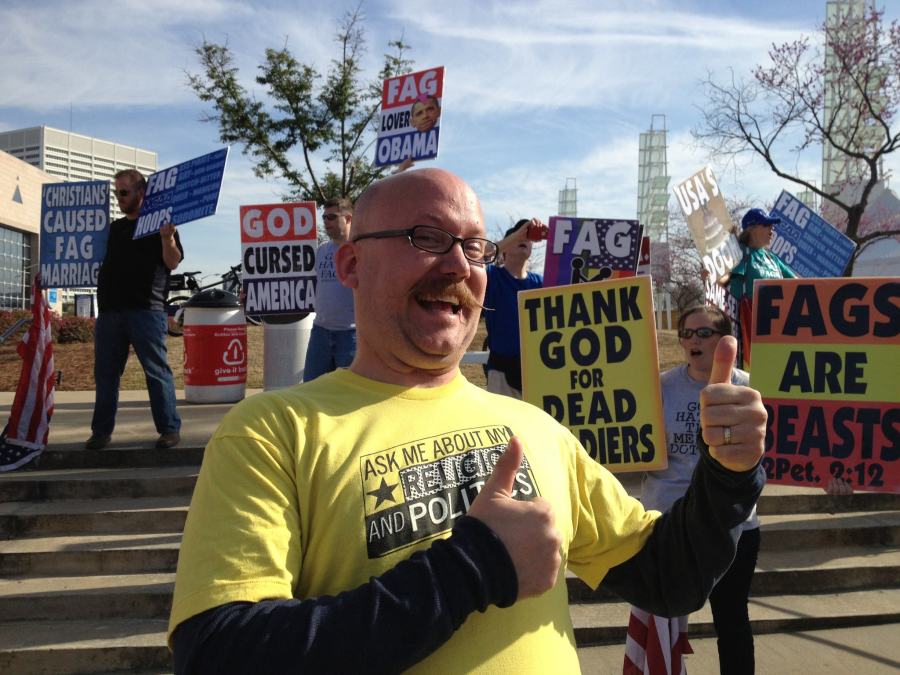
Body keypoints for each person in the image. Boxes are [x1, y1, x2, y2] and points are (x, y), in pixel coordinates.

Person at [169, 168, 767, 674]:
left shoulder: (537, 429)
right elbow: (219, 651)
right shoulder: (270, 432)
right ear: (350, 264)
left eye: (475, 248)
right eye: (425, 237)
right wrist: (468, 569)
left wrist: (730, 474)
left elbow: (670, 578)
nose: (458, 264)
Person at [625, 305, 759, 675]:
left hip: (733, 527)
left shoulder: (750, 388)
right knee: (660, 625)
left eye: (703, 333)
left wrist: (829, 477)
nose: (692, 340)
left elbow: (783, 451)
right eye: (687, 333)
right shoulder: (659, 388)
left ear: (724, 339)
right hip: (667, 525)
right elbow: (635, 448)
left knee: (732, 620)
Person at [85, 169, 183, 451]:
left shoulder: (160, 225)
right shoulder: (113, 228)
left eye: (124, 192)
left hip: (146, 310)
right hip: (110, 313)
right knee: (105, 374)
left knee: (156, 371)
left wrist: (168, 238)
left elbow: (173, 261)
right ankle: (101, 433)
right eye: (116, 192)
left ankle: (169, 429)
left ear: (141, 193)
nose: (119, 198)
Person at [484, 217, 547, 398]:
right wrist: (518, 234)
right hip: (502, 372)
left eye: (527, 238)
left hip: (538, 372)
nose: (523, 239)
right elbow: (480, 256)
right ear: (504, 251)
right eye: (516, 237)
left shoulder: (542, 283)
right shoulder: (493, 277)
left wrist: (554, 237)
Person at [727, 208, 797, 366]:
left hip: (779, 332)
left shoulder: (772, 258)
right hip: (750, 333)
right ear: (751, 228)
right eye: (766, 224)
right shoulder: (741, 253)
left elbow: (799, 284)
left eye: (772, 226)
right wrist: (710, 278)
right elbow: (725, 277)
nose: (772, 229)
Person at [303, 197, 356, 382]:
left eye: (332, 217)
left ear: (348, 218)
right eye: (324, 217)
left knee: (349, 394)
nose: (326, 222)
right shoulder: (321, 250)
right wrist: (256, 302)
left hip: (351, 335)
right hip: (320, 333)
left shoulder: (361, 249)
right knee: (311, 390)